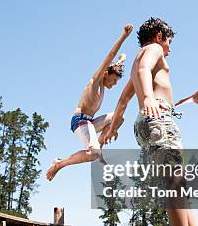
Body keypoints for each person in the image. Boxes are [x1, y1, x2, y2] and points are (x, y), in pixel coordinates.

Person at [104, 17, 198, 226]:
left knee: (176, 180)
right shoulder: (152, 50)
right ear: (160, 36)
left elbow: (122, 102)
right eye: (169, 41)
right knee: (174, 180)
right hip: (159, 117)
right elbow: (142, 73)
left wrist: (112, 127)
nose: (170, 48)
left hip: (147, 123)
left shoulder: (139, 61)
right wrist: (150, 98)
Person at [46, 24, 133, 181]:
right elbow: (110, 56)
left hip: (90, 122)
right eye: (113, 81)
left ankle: (98, 147)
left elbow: (114, 66)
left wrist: (121, 61)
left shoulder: (108, 76)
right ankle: (61, 164)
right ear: (105, 74)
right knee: (93, 154)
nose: (113, 85)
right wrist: (124, 36)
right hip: (80, 121)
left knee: (119, 116)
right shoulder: (96, 80)